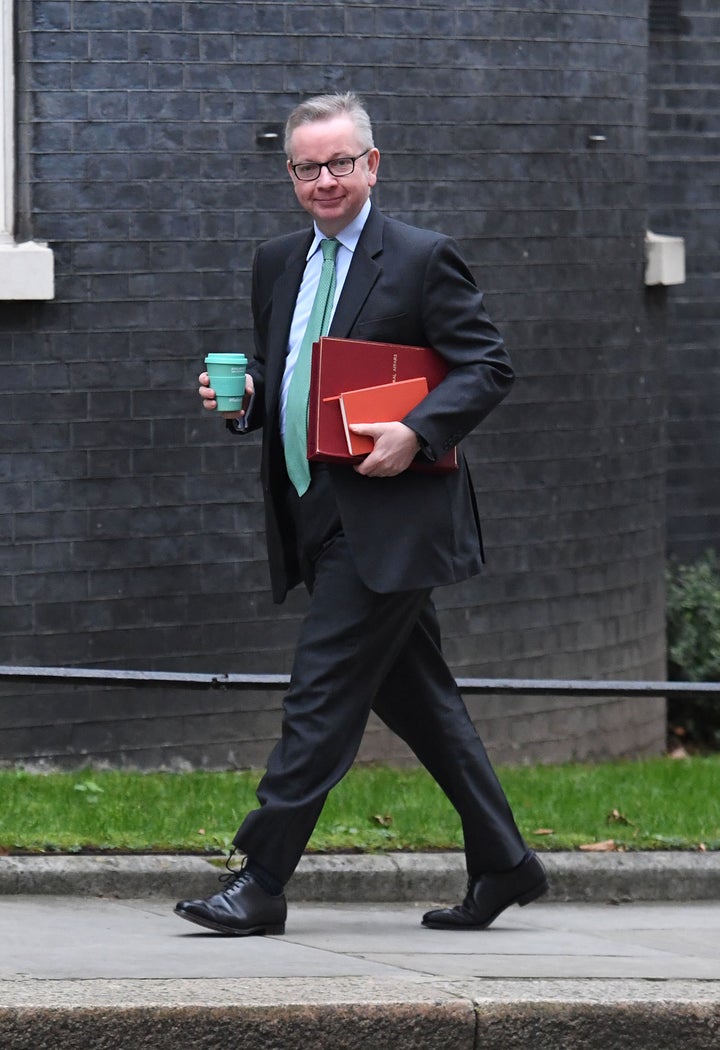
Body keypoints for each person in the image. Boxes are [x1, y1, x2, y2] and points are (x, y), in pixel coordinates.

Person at [175, 91, 547, 936]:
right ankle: (506, 863)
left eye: (341, 162)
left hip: (393, 523)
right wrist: (242, 403)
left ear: (372, 164)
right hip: (315, 514)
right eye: (308, 167)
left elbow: (486, 366)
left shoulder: (420, 259)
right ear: (291, 175)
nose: (325, 179)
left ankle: (261, 879)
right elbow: (286, 380)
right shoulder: (277, 261)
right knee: (422, 703)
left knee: (320, 696)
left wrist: (417, 432)